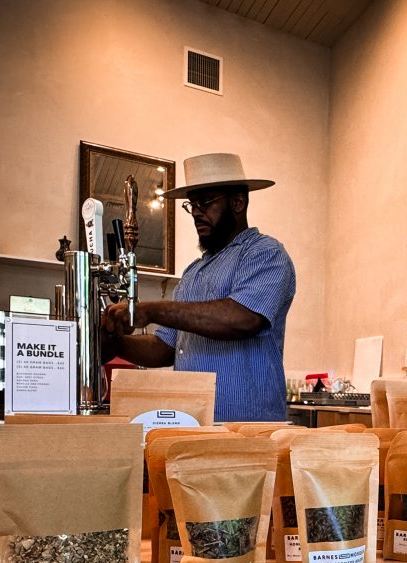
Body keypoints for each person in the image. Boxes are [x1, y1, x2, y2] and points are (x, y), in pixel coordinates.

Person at [101, 153, 296, 422]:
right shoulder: (193, 272)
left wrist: (151, 311)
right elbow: (164, 347)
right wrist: (115, 344)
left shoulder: (264, 253)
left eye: (205, 203)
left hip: (247, 425)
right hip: (193, 420)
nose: (195, 212)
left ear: (238, 202)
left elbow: (242, 319)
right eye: (191, 205)